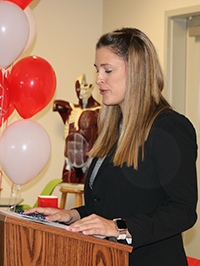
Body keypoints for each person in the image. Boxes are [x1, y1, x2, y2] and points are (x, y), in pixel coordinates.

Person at [24, 28, 198, 266]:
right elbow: (110, 205)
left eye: (108, 70)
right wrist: (71, 215)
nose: (98, 79)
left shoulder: (169, 128)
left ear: (137, 71)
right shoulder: (112, 129)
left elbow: (182, 212)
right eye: (98, 70)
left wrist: (120, 228)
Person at [53, 74, 101, 183]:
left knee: (88, 190)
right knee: (67, 183)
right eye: (78, 89)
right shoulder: (70, 108)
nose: (81, 92)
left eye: (84, 89)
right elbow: (56, 105)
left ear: (91, 88)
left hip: (88, 159)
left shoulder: (98, 111)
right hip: (69, 159)